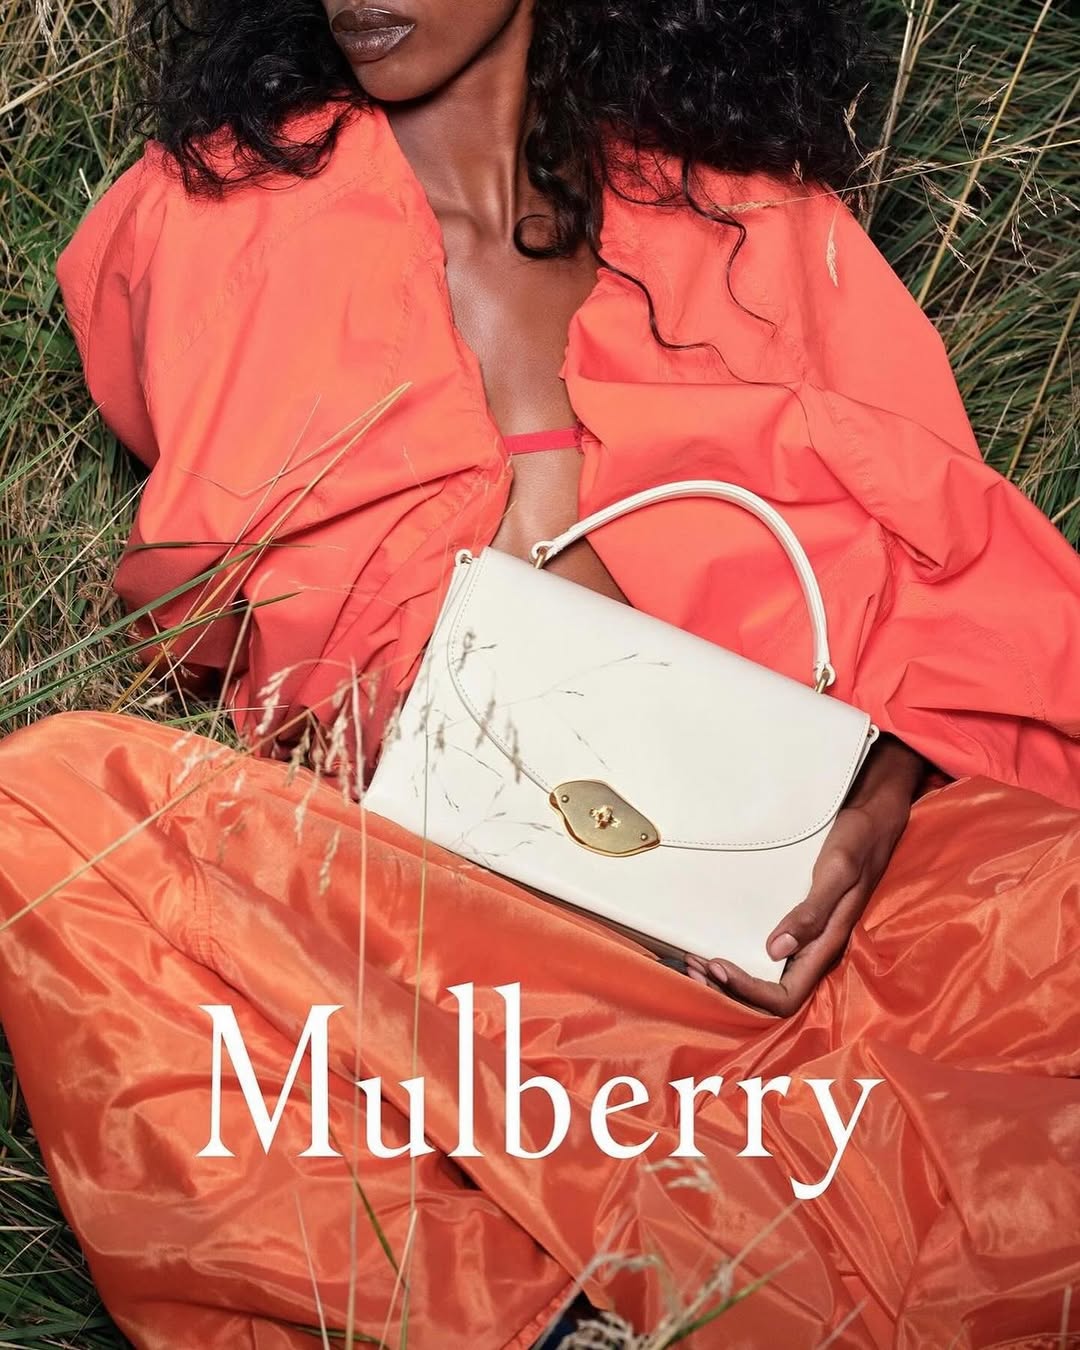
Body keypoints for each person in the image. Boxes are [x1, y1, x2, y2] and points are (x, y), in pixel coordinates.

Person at [0, 1, 1078, 1345]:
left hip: (784, 922)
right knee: (47, 811)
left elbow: (951, 578)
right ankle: (542, 1324)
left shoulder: (746, 214)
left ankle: (689, 1231)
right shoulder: (219, 207)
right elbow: (226, 592)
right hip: (440, 940)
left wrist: (877, 797)